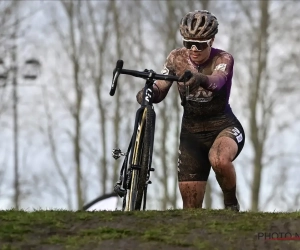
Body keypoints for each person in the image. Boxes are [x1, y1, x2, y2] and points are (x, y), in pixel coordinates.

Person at [136, 10, 245, 211]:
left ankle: (231, 204)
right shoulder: (176, 58)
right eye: (188, 43)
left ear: (211, 41)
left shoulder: (223, 58)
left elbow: (218, 81)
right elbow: (162, 86)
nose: (194, 49)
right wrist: (149, 92)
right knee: (191, 210)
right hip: (191, 134)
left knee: (219, 159)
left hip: (223, 126)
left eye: (200, 44)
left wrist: (201, 78)